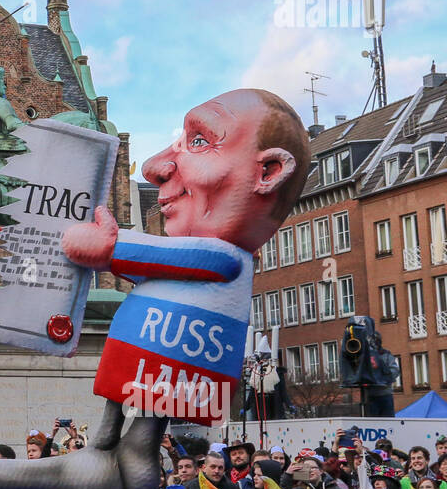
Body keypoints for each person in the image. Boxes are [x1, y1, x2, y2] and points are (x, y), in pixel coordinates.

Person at [62, 89, 309, 425]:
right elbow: (151, 266)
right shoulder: (207, 264)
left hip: (161, 382)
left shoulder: (222, 258)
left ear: (268, 172)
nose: (153, 167)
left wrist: (105, 247)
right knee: (115, 437)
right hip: (140, 376)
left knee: (139, 442)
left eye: (198, 141)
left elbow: (134, 254)